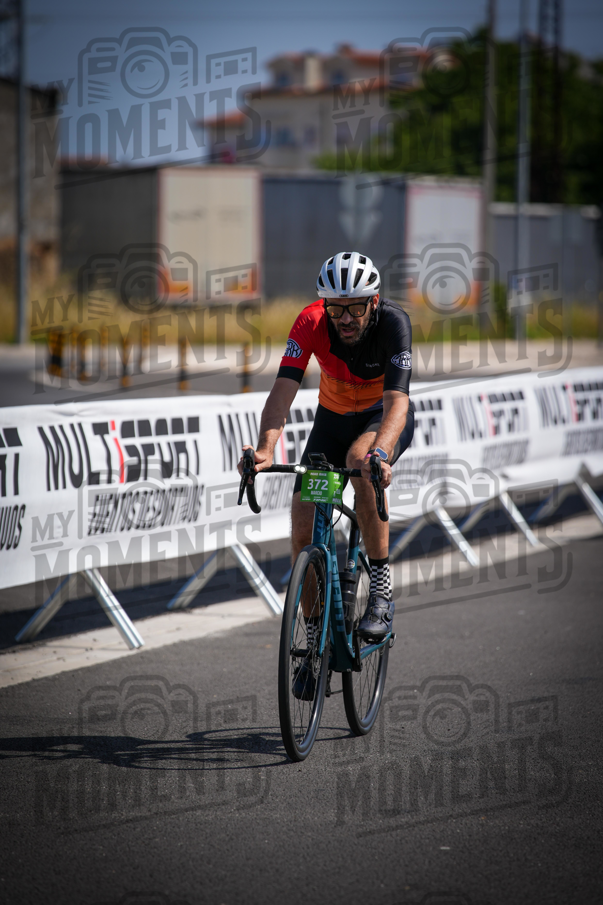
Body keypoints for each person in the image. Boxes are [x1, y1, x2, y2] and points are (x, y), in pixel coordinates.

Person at [238, 251, 414, 698]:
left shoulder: (395, 324)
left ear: (374, 302)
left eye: (356, 307)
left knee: (360, 462)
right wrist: (264, 448)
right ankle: (315, 635)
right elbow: (283, 390)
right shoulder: (310, 322)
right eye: (336, 308)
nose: (346, 317)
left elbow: (398, 402)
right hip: (331, 421)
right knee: (302, 528)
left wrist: (383, 452)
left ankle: (380, 586)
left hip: (380, 419)